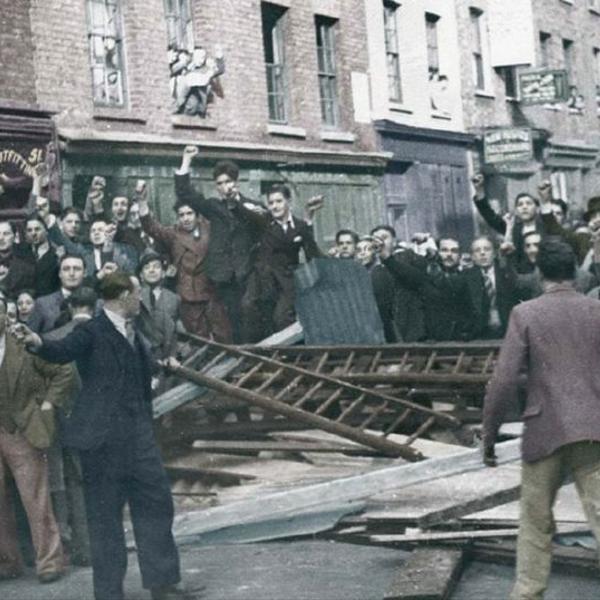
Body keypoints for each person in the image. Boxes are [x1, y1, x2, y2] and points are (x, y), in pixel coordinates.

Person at [14, 272, 188, 600]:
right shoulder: (91, 331)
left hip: (139, 439)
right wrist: (37, 342)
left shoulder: (136, 330)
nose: (140, 298)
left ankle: (163, 585)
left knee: (156, 505)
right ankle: (109, 593)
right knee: (105, 519)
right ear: (123, 295)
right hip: (103, 443)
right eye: (136, 293)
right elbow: (61, 349)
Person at [482, 238, 600, 599]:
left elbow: (502, 381)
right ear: (575, 272)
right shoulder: (596, 310)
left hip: (543, 431)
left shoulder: (526, 313)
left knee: (534, 524)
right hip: (593, 429)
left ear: (539, 273)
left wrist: (489, 436)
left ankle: (528, 595)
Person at [0, 297, 75, 584]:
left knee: (36, 499)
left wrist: (47, 404)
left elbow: (64, 371)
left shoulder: (25, 343)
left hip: (23, 430)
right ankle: (7, 562)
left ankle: (49, 561)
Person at [174, 145, 265, 342]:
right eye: (220, 183)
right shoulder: (214, 207)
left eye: (228, 182)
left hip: (247, 272)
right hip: (223, 275)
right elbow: (185, 193)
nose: (225, 187)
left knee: (249, 311)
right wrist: (186, 160)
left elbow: (261, 224)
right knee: (230, 319)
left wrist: (238, 204)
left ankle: (255, 351)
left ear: (236, 183)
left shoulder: (252, 205)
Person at [138, 178, 231, 342]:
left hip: (212, 291)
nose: (186, 218)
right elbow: (150, 227)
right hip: (188, 295)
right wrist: (142, 201)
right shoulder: (174, 234)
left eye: (189, 213)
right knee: (197, 340)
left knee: (223, 335)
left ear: (197, 214)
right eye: (181, 215)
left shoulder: (210, 229)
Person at [240, 184, 324, 341]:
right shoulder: (263, 221)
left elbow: (311, 253)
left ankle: (290, 356)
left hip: (287, 280)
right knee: (251, 310)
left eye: (279, 201)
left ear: (289, 202)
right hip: (263, 280)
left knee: (282, 319)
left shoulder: (300, 226)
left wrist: (308, 221)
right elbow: (243, 210)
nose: (274, 206)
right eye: (271, 203)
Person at [471, 174, 543, 273]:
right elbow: (490, 216)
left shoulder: (545, 227)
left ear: (537, 208)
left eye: (529, 203)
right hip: (520, 276)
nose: (524, 207)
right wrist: (479, 190)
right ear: (516, 210)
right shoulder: (511, 227)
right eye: (520, 204)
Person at [463, 236, 517, 339]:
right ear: (472, 256)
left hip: (508, 332)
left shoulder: (505, 272)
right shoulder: (466, 276)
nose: (482, 253)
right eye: (477, 250)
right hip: (479, 335)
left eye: (487, 249)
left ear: (494, 253)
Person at [29, 253, 87, 333]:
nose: (71, 273)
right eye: (66, 269)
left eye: (77, 269)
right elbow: (31, 338)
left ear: (85, 273)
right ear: (59, 273)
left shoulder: (97, 304)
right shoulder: (43, 304)